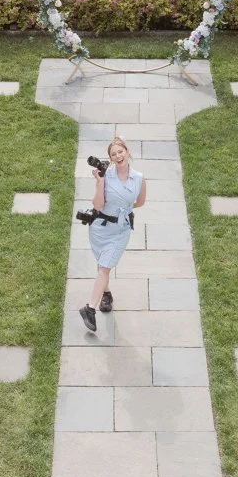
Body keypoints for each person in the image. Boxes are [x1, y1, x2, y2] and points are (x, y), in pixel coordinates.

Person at [80, 135, 146, 332]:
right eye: (113, 154)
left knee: (105, 268)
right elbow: (98, 205)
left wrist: (125, 206)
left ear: (127, 152)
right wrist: (99, 183)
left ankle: (89, 308)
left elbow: (140, 202)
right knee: (103, 265)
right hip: (100, 228)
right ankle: (106, 294)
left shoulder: (139, 178)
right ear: (110, 158)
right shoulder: (105, 176)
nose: (118, 156)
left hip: (120, 230)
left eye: (120, 152)